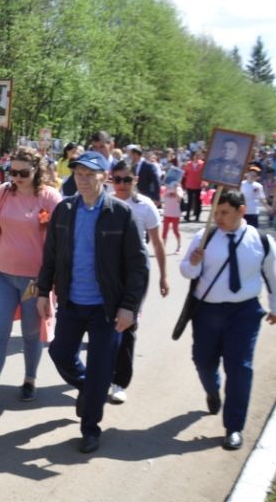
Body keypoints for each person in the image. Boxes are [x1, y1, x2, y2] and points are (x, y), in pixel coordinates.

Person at [36, 150, 149, 454]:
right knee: (60, 353)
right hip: (72, 302)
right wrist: (43, 292)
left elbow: (139, 266)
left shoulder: (121, 214)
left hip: (107, 309)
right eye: (78, 174)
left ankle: (90, 428)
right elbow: (50, 256)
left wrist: (129, 307)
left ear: (104, 178)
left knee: (101, 369)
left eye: (89, 175)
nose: (82, 180)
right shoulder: (65, 210)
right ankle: (88, 388)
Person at [180, 190, 276, 450]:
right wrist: (193, 261)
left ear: (241, 210)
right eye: (215, 212)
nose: (218, 218)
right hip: (208, 312)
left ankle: (234, 427)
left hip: (244, 313)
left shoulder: (261, 240)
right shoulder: (205, 237)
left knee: (240, 368)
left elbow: (273, 275)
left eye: (224, 212)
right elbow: (187, 271)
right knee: (203, 361)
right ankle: (213, 390)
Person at [0, 147, 62, 407]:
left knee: (31, 334)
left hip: (35, 281)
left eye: (23, 172)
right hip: (3, 275)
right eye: (13, 172)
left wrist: (52, 281)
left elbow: (60, 239)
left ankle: (30, 380)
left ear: (37, 171)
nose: (17, 177)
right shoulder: (3, 193)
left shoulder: (49, 198)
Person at [108, 160, 169, 405]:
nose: (121, 184)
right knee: (103, 323)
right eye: (117, 179)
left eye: (127, 180)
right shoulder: (104, 202)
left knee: (127, 325)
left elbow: (157, 243)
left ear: (136, 181)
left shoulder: (145, 207)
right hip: (108, 271)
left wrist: (164, 275)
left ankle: (120, 381)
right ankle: (102, 374)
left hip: (135, 273)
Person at [182, 151, 205, 222]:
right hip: (189, 185)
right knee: (189, 201)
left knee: (198, 201)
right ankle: (188, 216)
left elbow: (204, 173)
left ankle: (197, 216)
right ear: (193, 156)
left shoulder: (202, 164)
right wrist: (188, 177)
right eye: (195, 155)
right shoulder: (188, 164)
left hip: (198, 185)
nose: (197, 157)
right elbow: (184, 173)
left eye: (198, 155)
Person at [163, 182, 184, 253]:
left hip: (175, 214)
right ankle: (163, 247)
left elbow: (179, 199)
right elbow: (163, 197)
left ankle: (179, 246)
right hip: (167, 213)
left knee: (175, 230)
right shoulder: (167, 189)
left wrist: (175, 189)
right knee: (165, 231)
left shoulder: (179, 189)